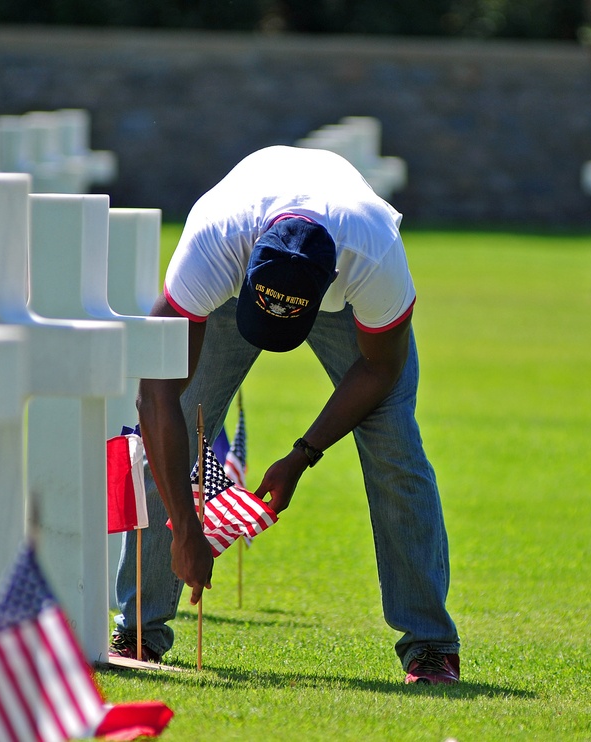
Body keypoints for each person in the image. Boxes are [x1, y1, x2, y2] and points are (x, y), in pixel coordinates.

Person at [110, 145, 460, 684]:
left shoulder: (374, 255)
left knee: (396, 449)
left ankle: (431, 645)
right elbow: (154, 395)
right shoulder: (214, 243)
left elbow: (379, 371)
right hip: (229, 293)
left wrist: (303, 456)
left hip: (349, 304)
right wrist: (186, 529)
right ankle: (139, 630)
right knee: (172, 421)